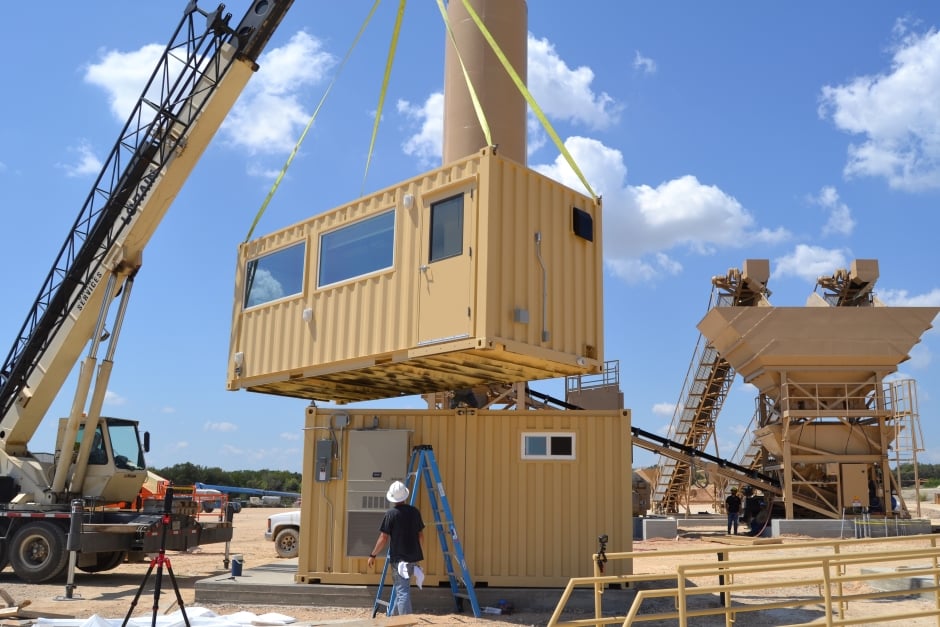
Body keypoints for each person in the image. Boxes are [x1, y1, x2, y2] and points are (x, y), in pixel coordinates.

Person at [367, 480, 425, 615]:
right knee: (401, 589)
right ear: (405, 496)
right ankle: (393, 619)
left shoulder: (391, 514)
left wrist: (373, 554)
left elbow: (383, 538)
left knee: (402, 592)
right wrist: (417, 554)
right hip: (413, 559)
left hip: (399, 561)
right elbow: (421, 536)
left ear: (392, 498)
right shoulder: (415, 512)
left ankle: (406, 622)